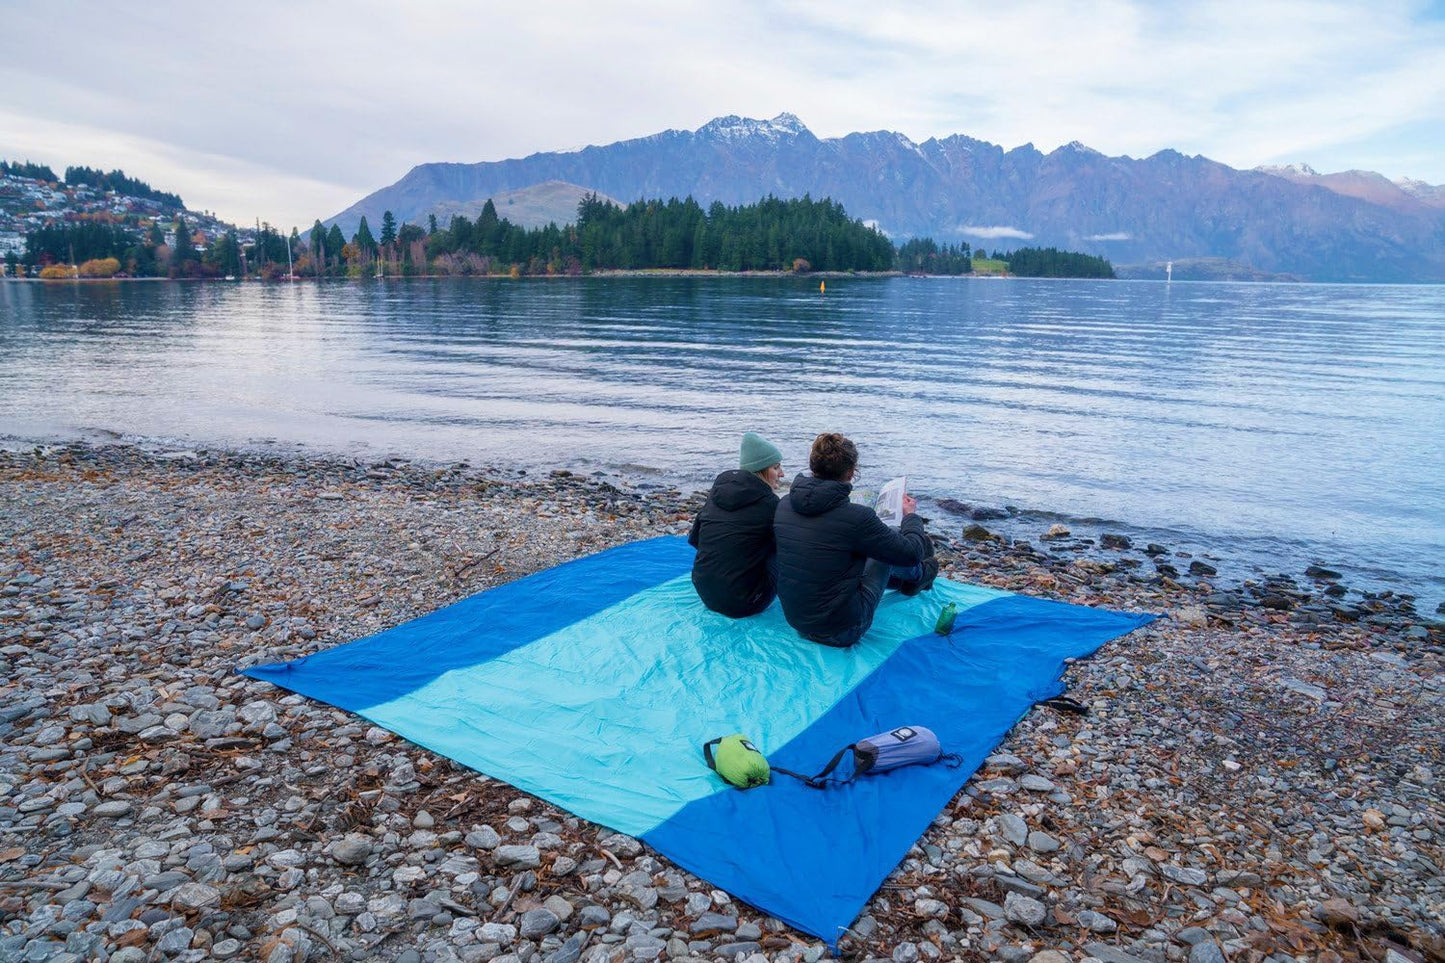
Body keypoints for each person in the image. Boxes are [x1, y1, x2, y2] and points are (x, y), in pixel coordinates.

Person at [774, 433, 937, 647]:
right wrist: (911, 516)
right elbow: (911, 554)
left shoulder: (784, 504)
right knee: (890, 544)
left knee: (864, 543)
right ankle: (921, 576)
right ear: (851, 472)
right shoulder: (856, 517)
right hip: (842, 630)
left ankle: (906, 581)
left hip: (797, 620)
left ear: (814, 467)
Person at [688, 432, 785, 618]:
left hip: (704, 592)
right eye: (776, 467)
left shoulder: (716, 495)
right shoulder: (770, 504)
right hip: (746, 602)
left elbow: (696, 540)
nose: (782, 474)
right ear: (761, 470)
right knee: (783, 545)